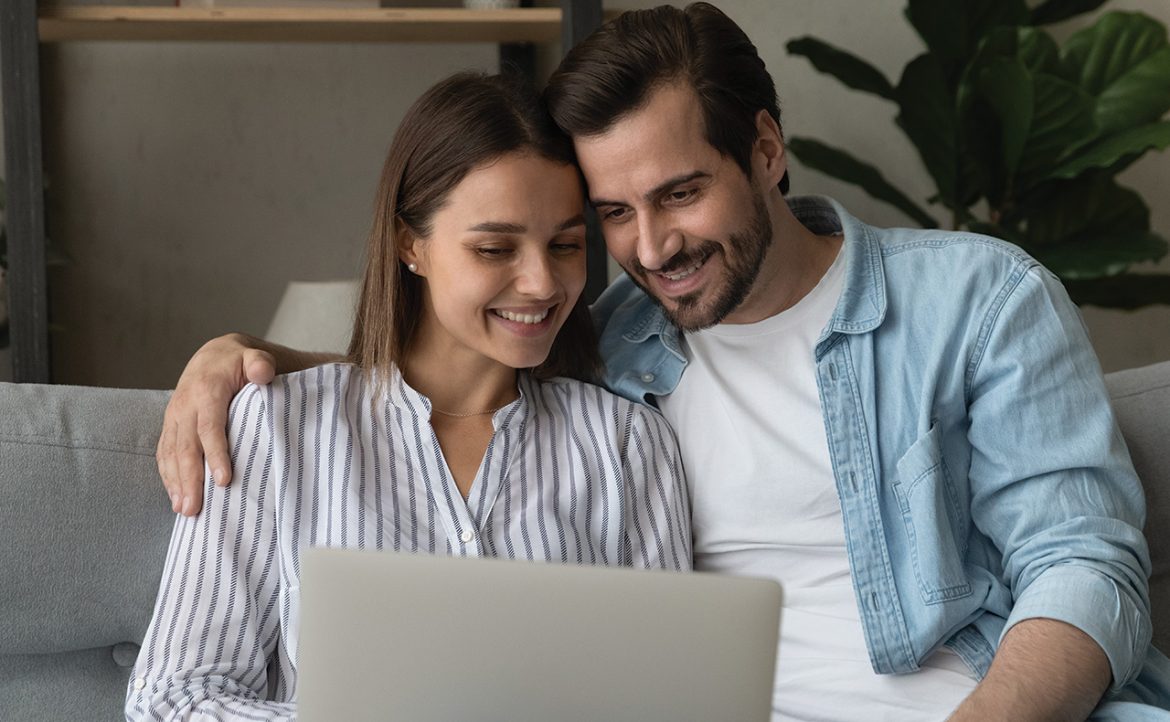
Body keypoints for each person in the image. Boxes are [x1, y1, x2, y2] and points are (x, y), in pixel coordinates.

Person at [153, 3, 1170, 720]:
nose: (650, 247)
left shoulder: (976, 301)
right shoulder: (618, 346)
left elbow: (1085, 564)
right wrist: (246, 364)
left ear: (765, 149)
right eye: (612, 214)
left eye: (681, 192)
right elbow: (447, 367)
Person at [126, 71, 691, 721]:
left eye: (565, 244)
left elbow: (670, 701)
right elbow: (170, 701)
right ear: (410, 244)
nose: (541, 282)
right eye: (494, 247)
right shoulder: (277, 427)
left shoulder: (627, 446)